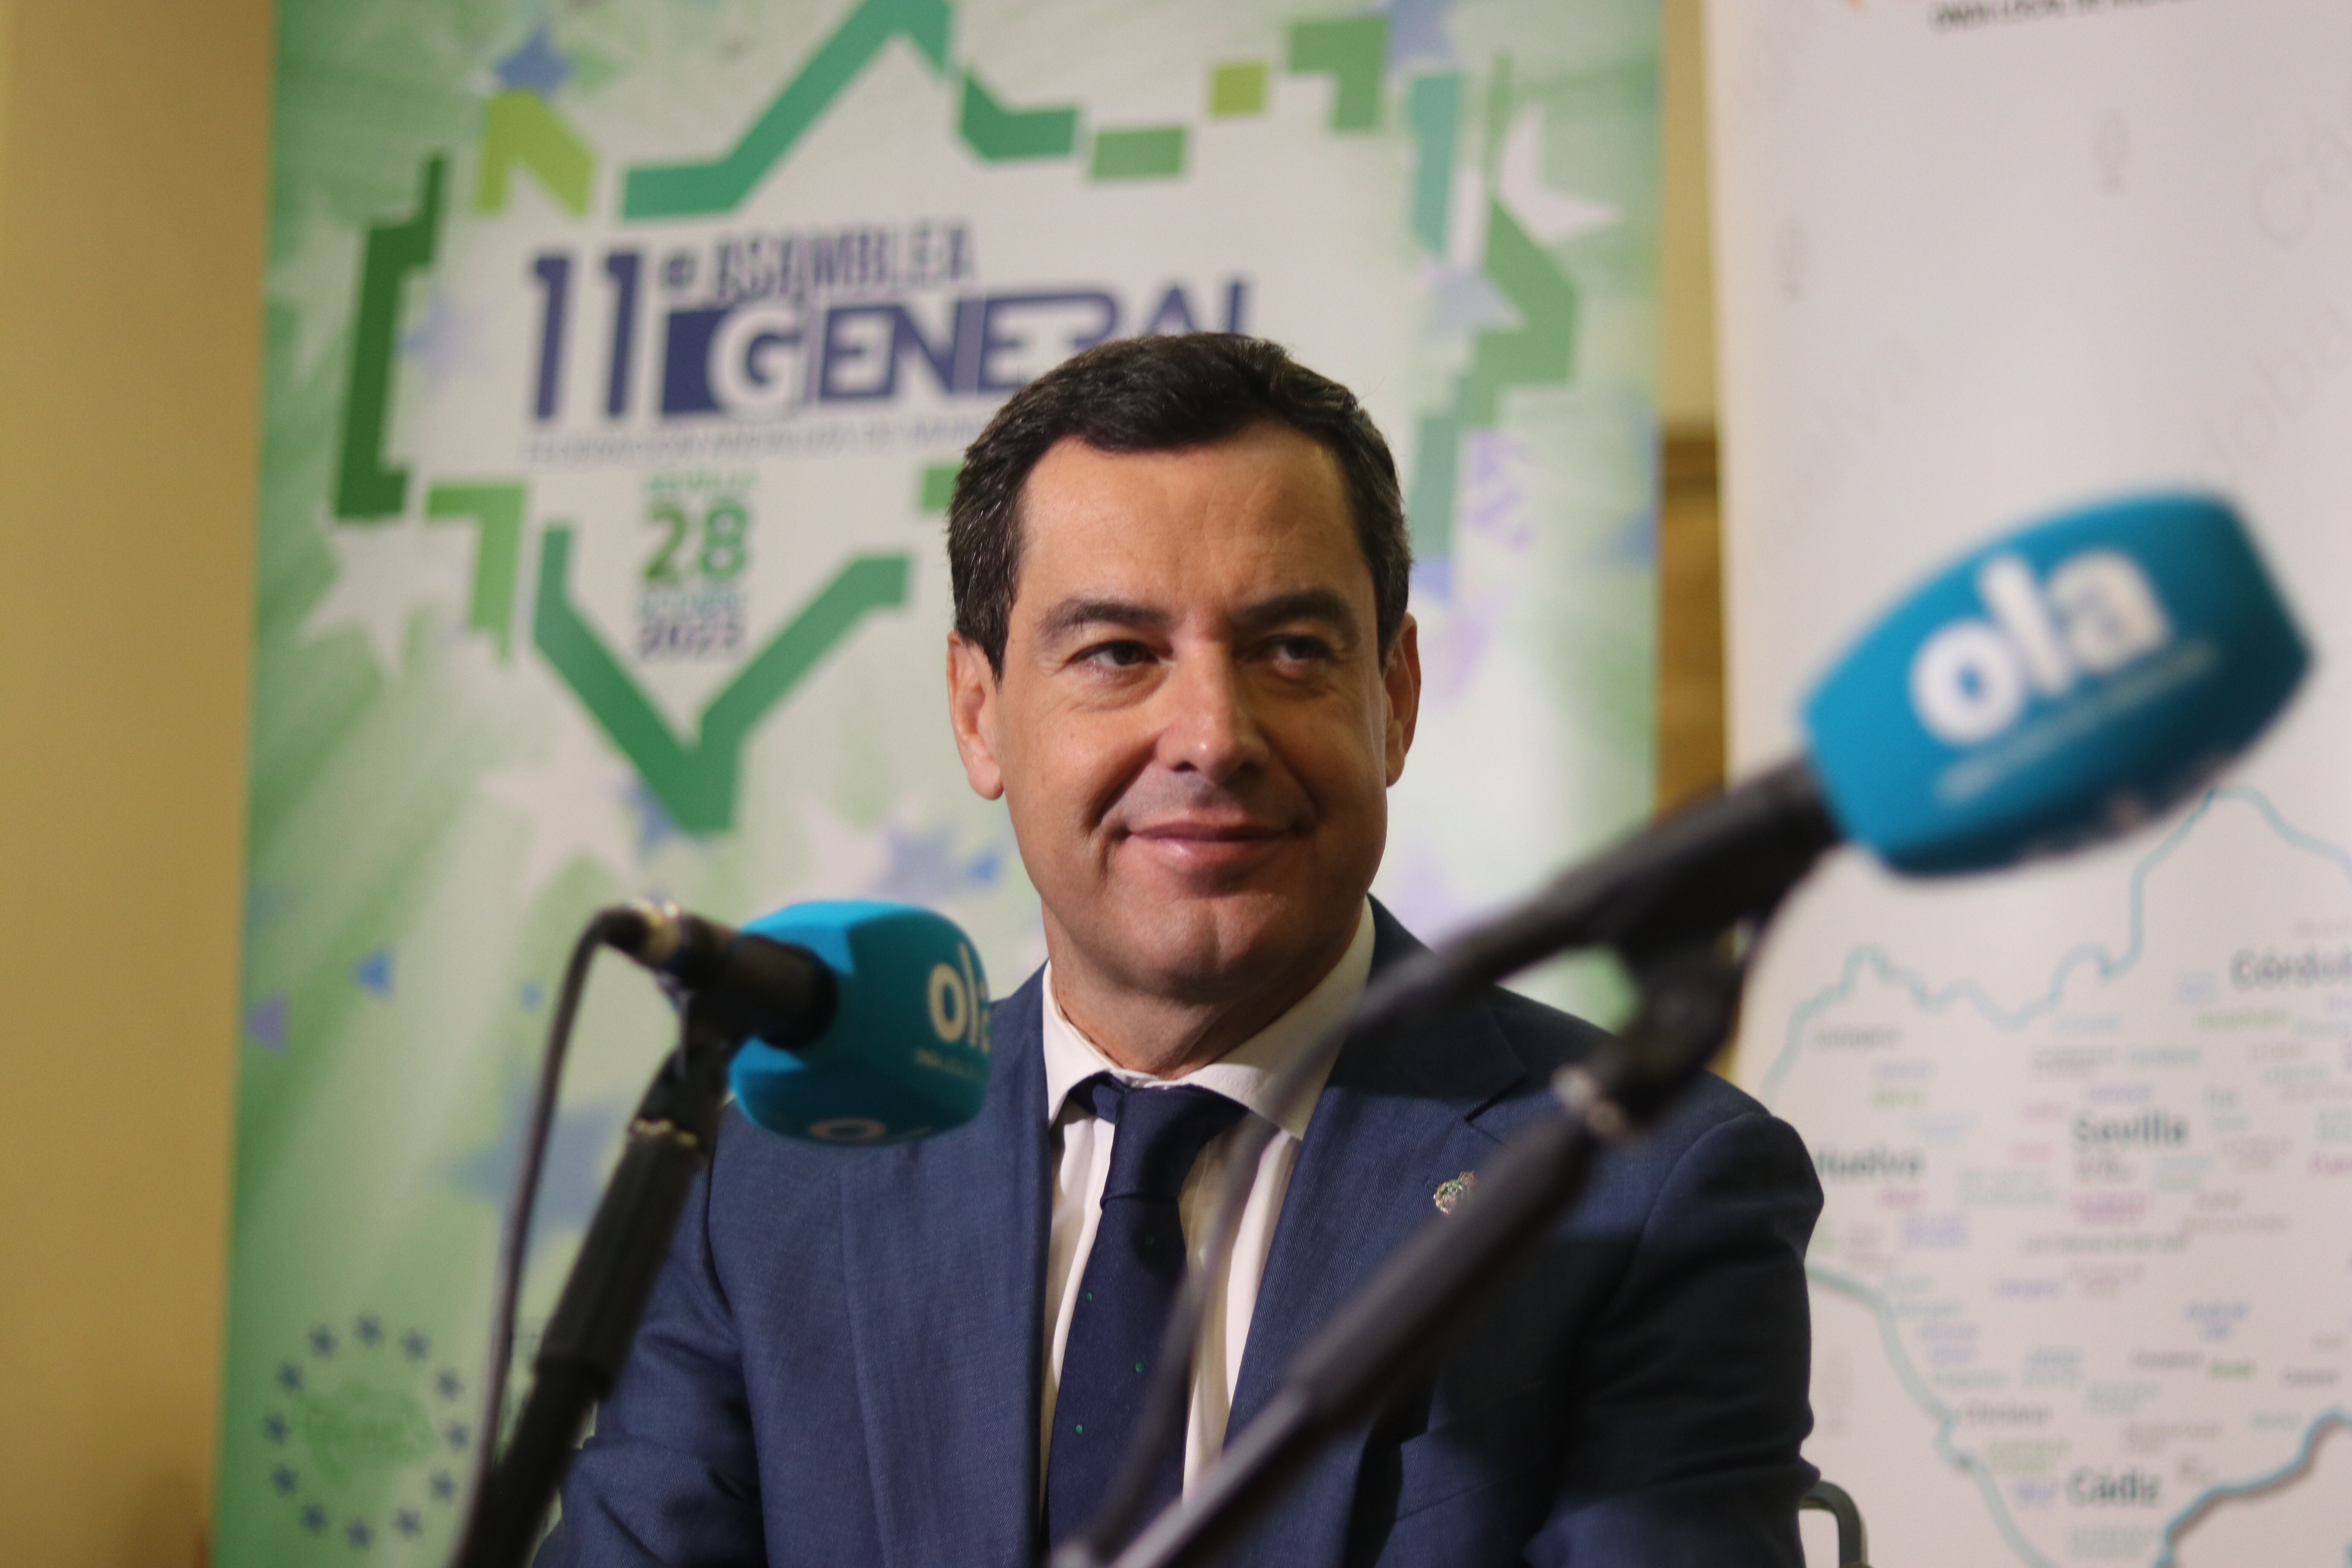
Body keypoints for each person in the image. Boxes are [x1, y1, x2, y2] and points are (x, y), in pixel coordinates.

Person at [539, 334, 1821, 1567]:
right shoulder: (772, 1187)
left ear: (1394, 698)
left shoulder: (1647, 1190)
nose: (1212, 735)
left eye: (1290, 650)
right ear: (979, 713)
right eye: (1118, 653)